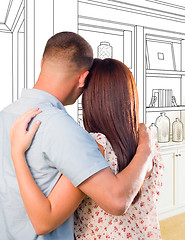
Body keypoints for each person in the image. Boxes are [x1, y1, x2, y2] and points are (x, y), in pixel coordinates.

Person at [0, 32, 154, 239]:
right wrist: (147, 148)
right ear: (83, 78)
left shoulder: (6, 115)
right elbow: (117, 201)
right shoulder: (62, 128)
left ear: (42, 62)